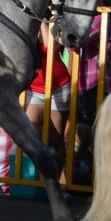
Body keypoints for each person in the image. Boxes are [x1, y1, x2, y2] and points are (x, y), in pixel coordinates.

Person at [26, 21, 71, 166]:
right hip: (34, 88)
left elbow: (50, 46)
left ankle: (54, 183)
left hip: (59, 87)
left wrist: (42, 21)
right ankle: (36, 180)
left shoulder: (56, 24)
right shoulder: (27, 24)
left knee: (55, 138)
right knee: (30, 135)